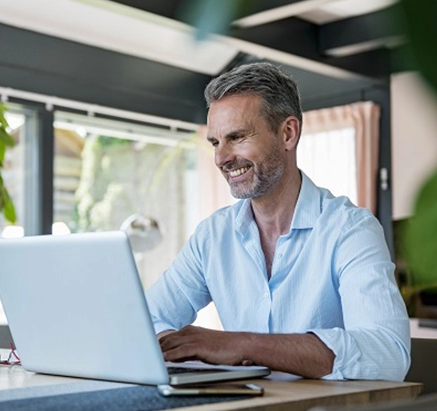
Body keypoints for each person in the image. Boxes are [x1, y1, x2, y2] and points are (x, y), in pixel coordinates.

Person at [145, 62, 410, 381]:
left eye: (237, 137)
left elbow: (388, 354)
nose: (221, 158)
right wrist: (191, 351)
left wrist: (242, 344)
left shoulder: (350, 230)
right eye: (215, 142)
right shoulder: (212, 237)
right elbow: (145, 320)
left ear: (288, 133)